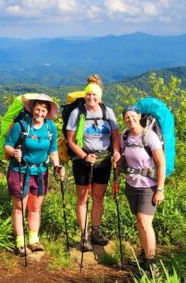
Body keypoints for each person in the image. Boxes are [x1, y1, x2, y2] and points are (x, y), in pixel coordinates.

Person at [65, 74, 121, 251]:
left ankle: (95, 232)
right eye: (88, 94)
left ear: (100, 96)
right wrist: (84, 156)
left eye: (94, 95)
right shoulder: (77, 112)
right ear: (85, 94)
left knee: (98, 198)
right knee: (83, 199)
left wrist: (117, 151)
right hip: (83, 160)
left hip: (103, 159)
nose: (91, 97)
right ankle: (84, 235)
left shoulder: (107, 112)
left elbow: (115, 135)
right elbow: (71, 140)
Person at [4, 94, 65, 255]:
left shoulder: (50, 128)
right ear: (32, 109)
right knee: (19, 207)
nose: (40, 113)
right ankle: (20, 241)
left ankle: (33, 240)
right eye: (37, 109)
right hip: (20, 171)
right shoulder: (21, 126)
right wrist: (14, 152)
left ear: (48, 112)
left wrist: (57, 165)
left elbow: (52, 150)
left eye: (43, 110)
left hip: (40, 172)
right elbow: (7, 146)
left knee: (35, 207)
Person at [119, 105, 165, 277]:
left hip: (149, 186)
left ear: (139, 116)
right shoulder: (125, 136)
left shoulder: (149, 136)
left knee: (145, 223)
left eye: (132, 116)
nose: (130, 120)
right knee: (140, 223)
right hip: (131, 185)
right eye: (127, 117)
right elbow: (122, 155)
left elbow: (161, 163)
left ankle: (152, 266)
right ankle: (146, 257)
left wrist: (160, 189)